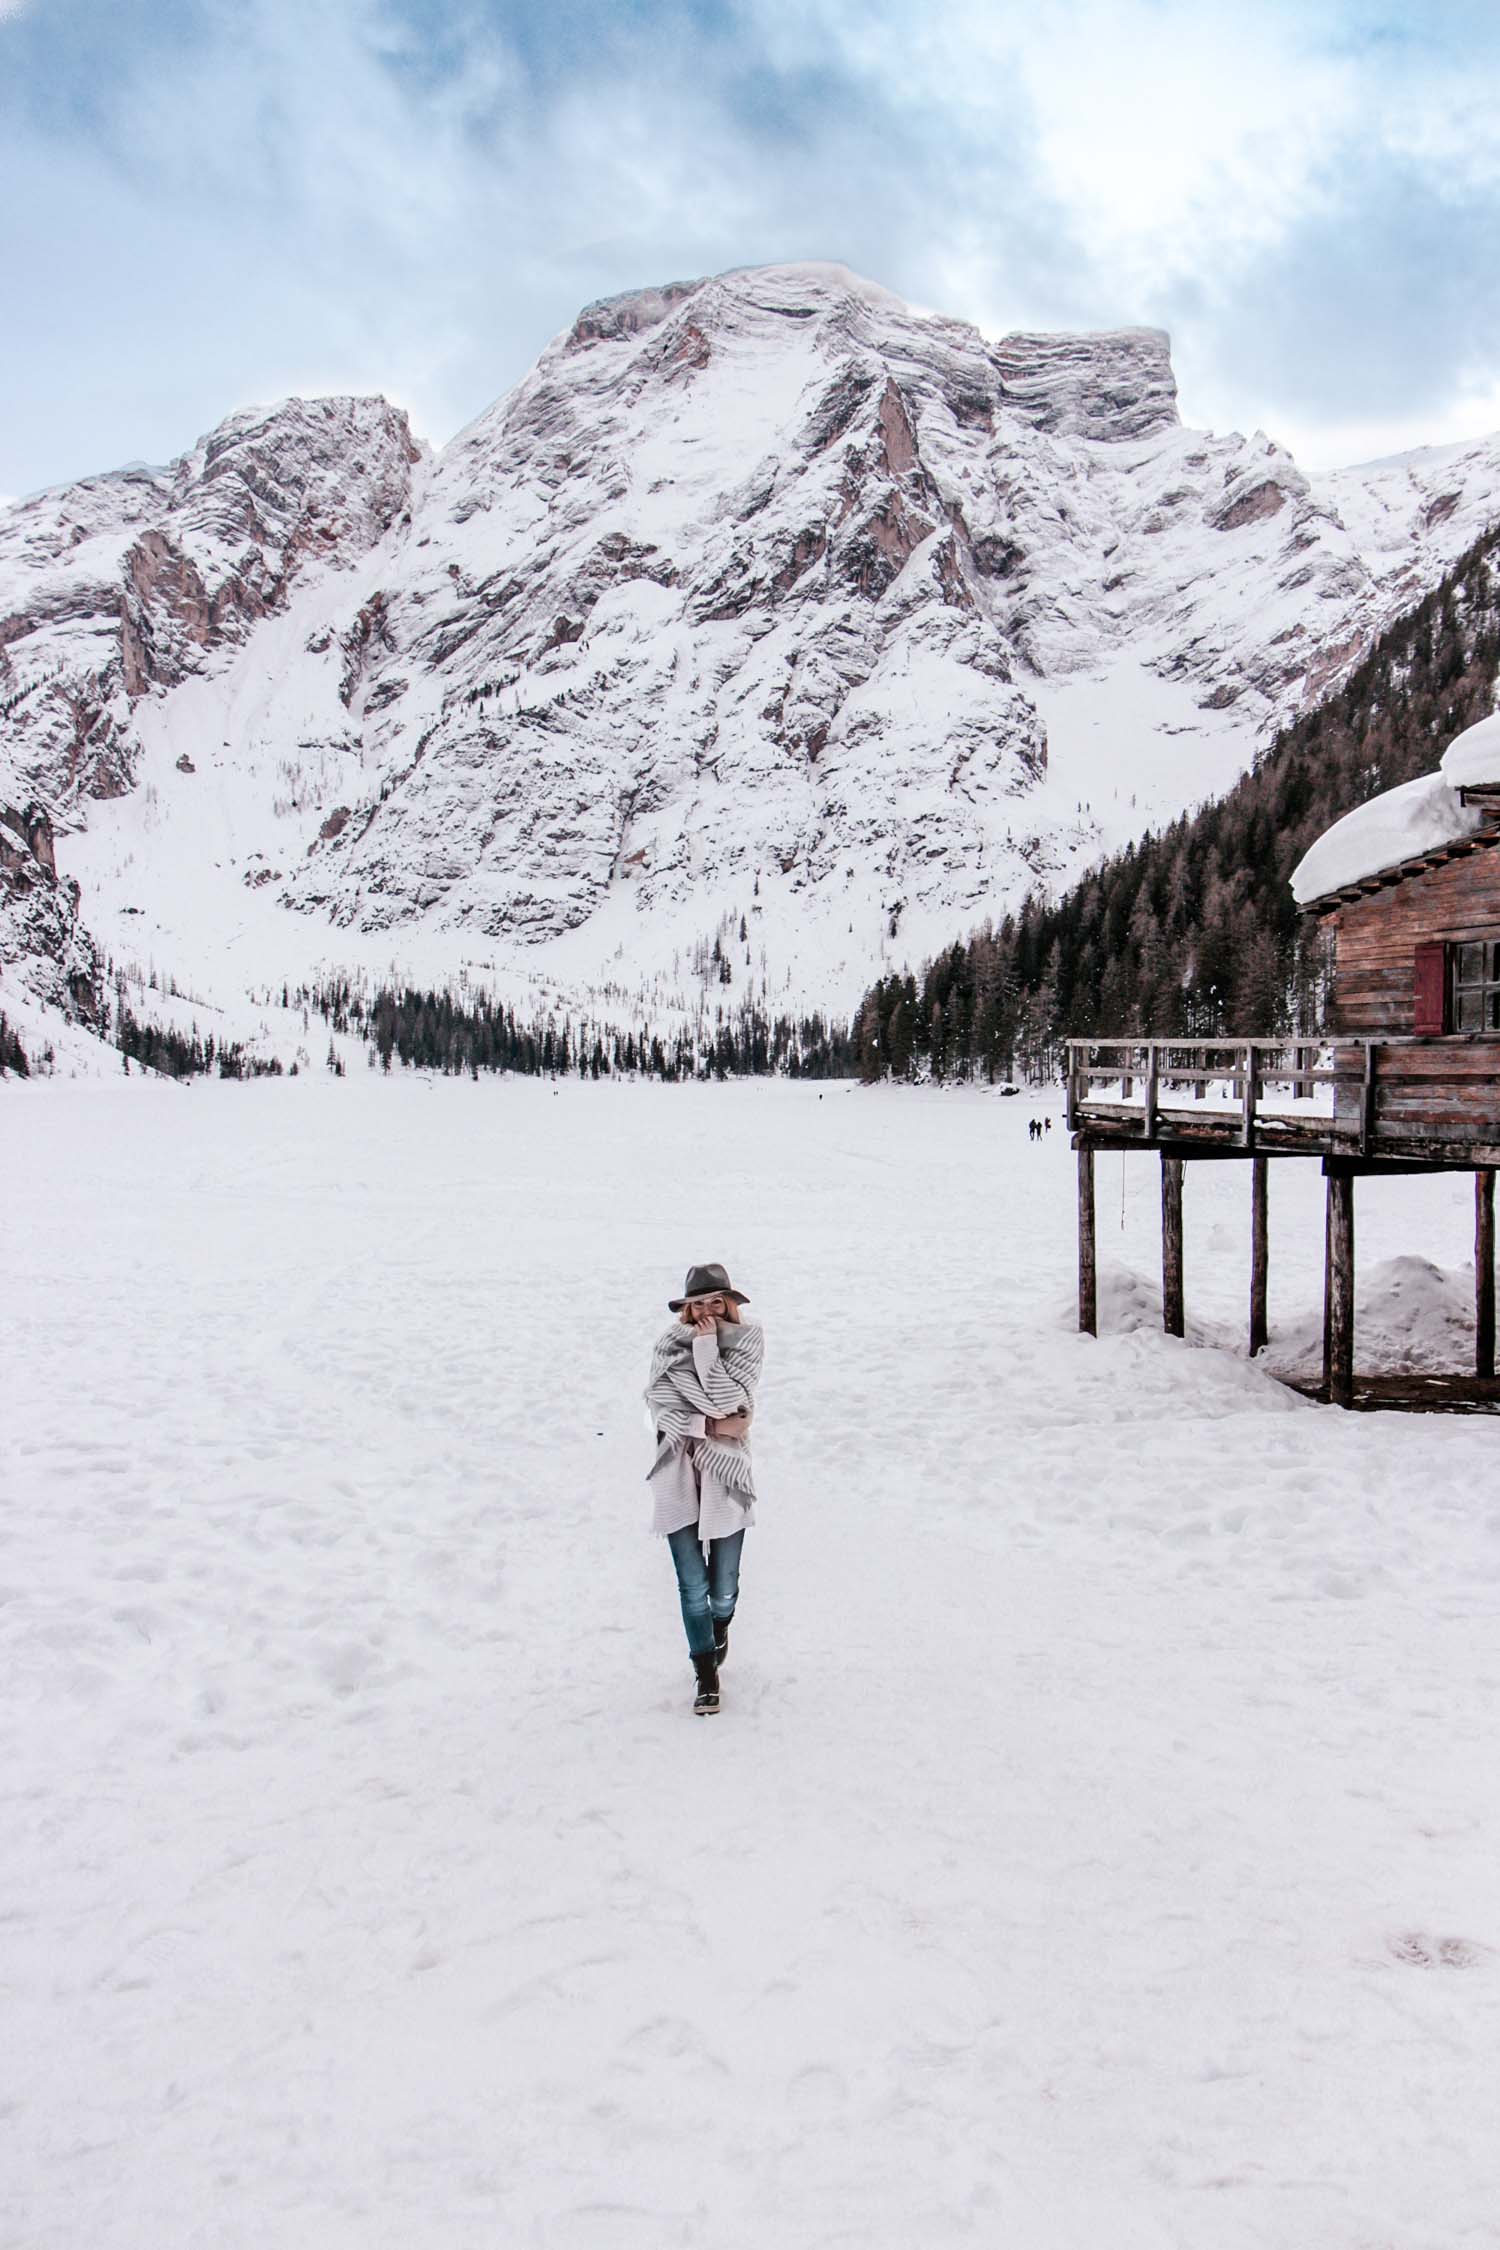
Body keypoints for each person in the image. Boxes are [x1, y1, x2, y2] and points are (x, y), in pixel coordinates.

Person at [644, 1262, 764, 1716]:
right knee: (691, 1587)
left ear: (729, 1304)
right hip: (675, 1473)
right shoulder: (666, 1346)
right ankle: (706, 1674)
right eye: (699, 1305)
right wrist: (713, 1425)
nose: (708, 1312)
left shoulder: (748, 1342)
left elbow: (730, 1398)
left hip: (727, 1476)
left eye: (717, 1302)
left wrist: (708, 1350)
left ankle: (720, 1626)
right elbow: (663, 1413)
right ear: (687, 1309)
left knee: (723, 1588)